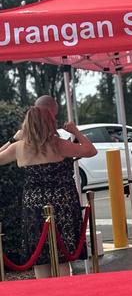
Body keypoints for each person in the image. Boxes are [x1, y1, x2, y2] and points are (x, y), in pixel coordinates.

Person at [0, 106, 97, 278]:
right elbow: (90, 150)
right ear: (49, 123)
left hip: (34, 205)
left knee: (40, 255)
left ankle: (44, 292)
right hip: (61, 203)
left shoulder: (18, 148)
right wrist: (75, 131)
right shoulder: (58, 145)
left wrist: (13, 138)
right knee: (62, 255)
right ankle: (64, 292)